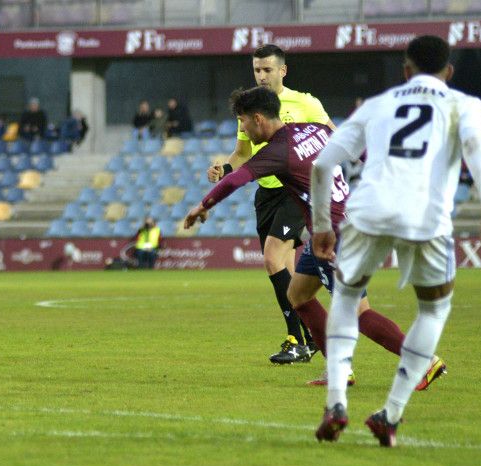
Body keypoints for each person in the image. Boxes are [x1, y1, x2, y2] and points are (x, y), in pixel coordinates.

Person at [185, 86, 444, 390]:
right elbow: (358, 149)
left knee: (359, 312)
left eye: (242, 121)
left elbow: (235, 179)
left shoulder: (276, 152)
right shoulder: (315, 129)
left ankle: (423, 360)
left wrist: (202, 206)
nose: (241, 128)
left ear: (257, 118)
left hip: (336, 237)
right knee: (298, 295)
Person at [310, 35, 481, 447]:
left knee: (345, 299)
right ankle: (391, 413)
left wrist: (322, 224)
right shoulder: (463, 104)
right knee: (432, 310)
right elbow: (473, 146)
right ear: (449, 72)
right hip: (426, 219)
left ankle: (336, 402)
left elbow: (323, 163)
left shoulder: (376, 106)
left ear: (405, 70)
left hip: (367, 213)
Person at [207, 44, 337, 365]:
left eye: (267, 70)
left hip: (293, 191)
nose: (261, 76)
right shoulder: (251, 107)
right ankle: (308, 338)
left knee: (271, 256)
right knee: (284, 267)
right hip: (265, 194)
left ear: (283, 71)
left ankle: (297, 338)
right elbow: (242, 153)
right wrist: (225, 169)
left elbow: (331, 135)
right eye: (256, 70)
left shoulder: (305, 102)